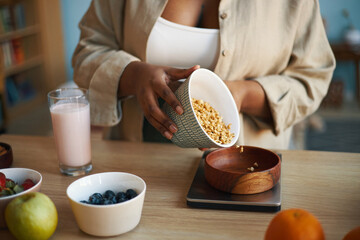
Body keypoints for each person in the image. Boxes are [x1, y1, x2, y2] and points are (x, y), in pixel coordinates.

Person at [72, 0, 335, 149]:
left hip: (247, 167)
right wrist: (133, 74)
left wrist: (243, 95)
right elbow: (87, 52)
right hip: (138, 160)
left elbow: (313, 76)